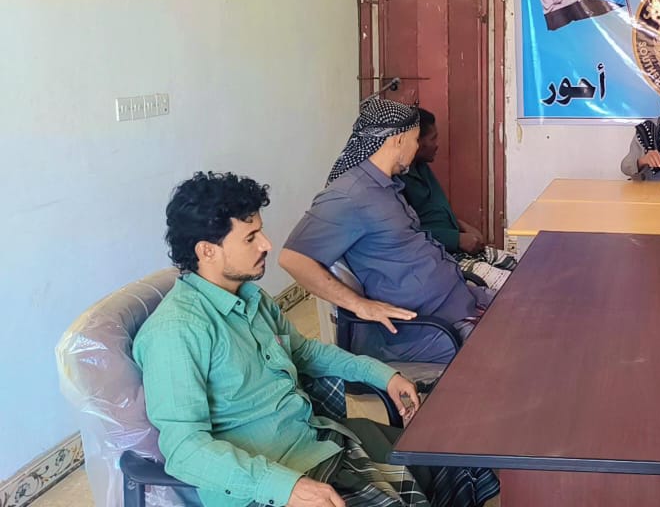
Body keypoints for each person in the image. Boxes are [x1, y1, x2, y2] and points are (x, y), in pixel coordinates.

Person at [134, 171, 499, 507]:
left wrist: (383, 375)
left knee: (452, 456)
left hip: (317, 443)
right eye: (250, 237)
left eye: (261, 231)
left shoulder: (252, 299)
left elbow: (304, 352)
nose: (266, 244)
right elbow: (185, 450)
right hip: (271, 483)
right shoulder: (177, 331)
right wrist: (286, 487)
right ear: (207, 251)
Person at [279, 98, 492, 365]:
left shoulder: (386, 186)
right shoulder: (349, 195)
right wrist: (358, 305)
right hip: (421, 330)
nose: (417, 147)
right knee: (516, 347)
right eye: (415, 140)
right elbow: (292, 258)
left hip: (456, 303)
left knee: (529, 312)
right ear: (398, 140)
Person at [400, 108, 515, 290]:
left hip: (460, 248)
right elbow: (405, 234)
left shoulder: (421, 167)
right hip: (441, 257)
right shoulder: (396, 181)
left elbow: (436, 209)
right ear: (415, 141)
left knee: (521, 266)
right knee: (512, 286)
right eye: (433, 139)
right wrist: (456, 239)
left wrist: (463, 227)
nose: (437, 144)